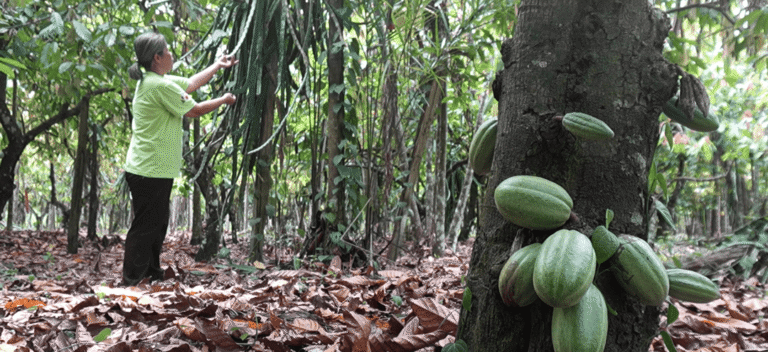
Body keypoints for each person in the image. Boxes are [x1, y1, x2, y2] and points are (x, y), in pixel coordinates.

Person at [122, 31, 238, 286]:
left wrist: (218, 65)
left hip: (153, 168)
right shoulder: (158, 85)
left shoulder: (154, 80)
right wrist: (225, 100)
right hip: (148, 168)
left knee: (156, 224)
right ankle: (132, 280)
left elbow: (190, 84)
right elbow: (193, 110)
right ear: (157, 57)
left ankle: (150, 272)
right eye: (168, 50)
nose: (172, 54)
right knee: (145, 226)